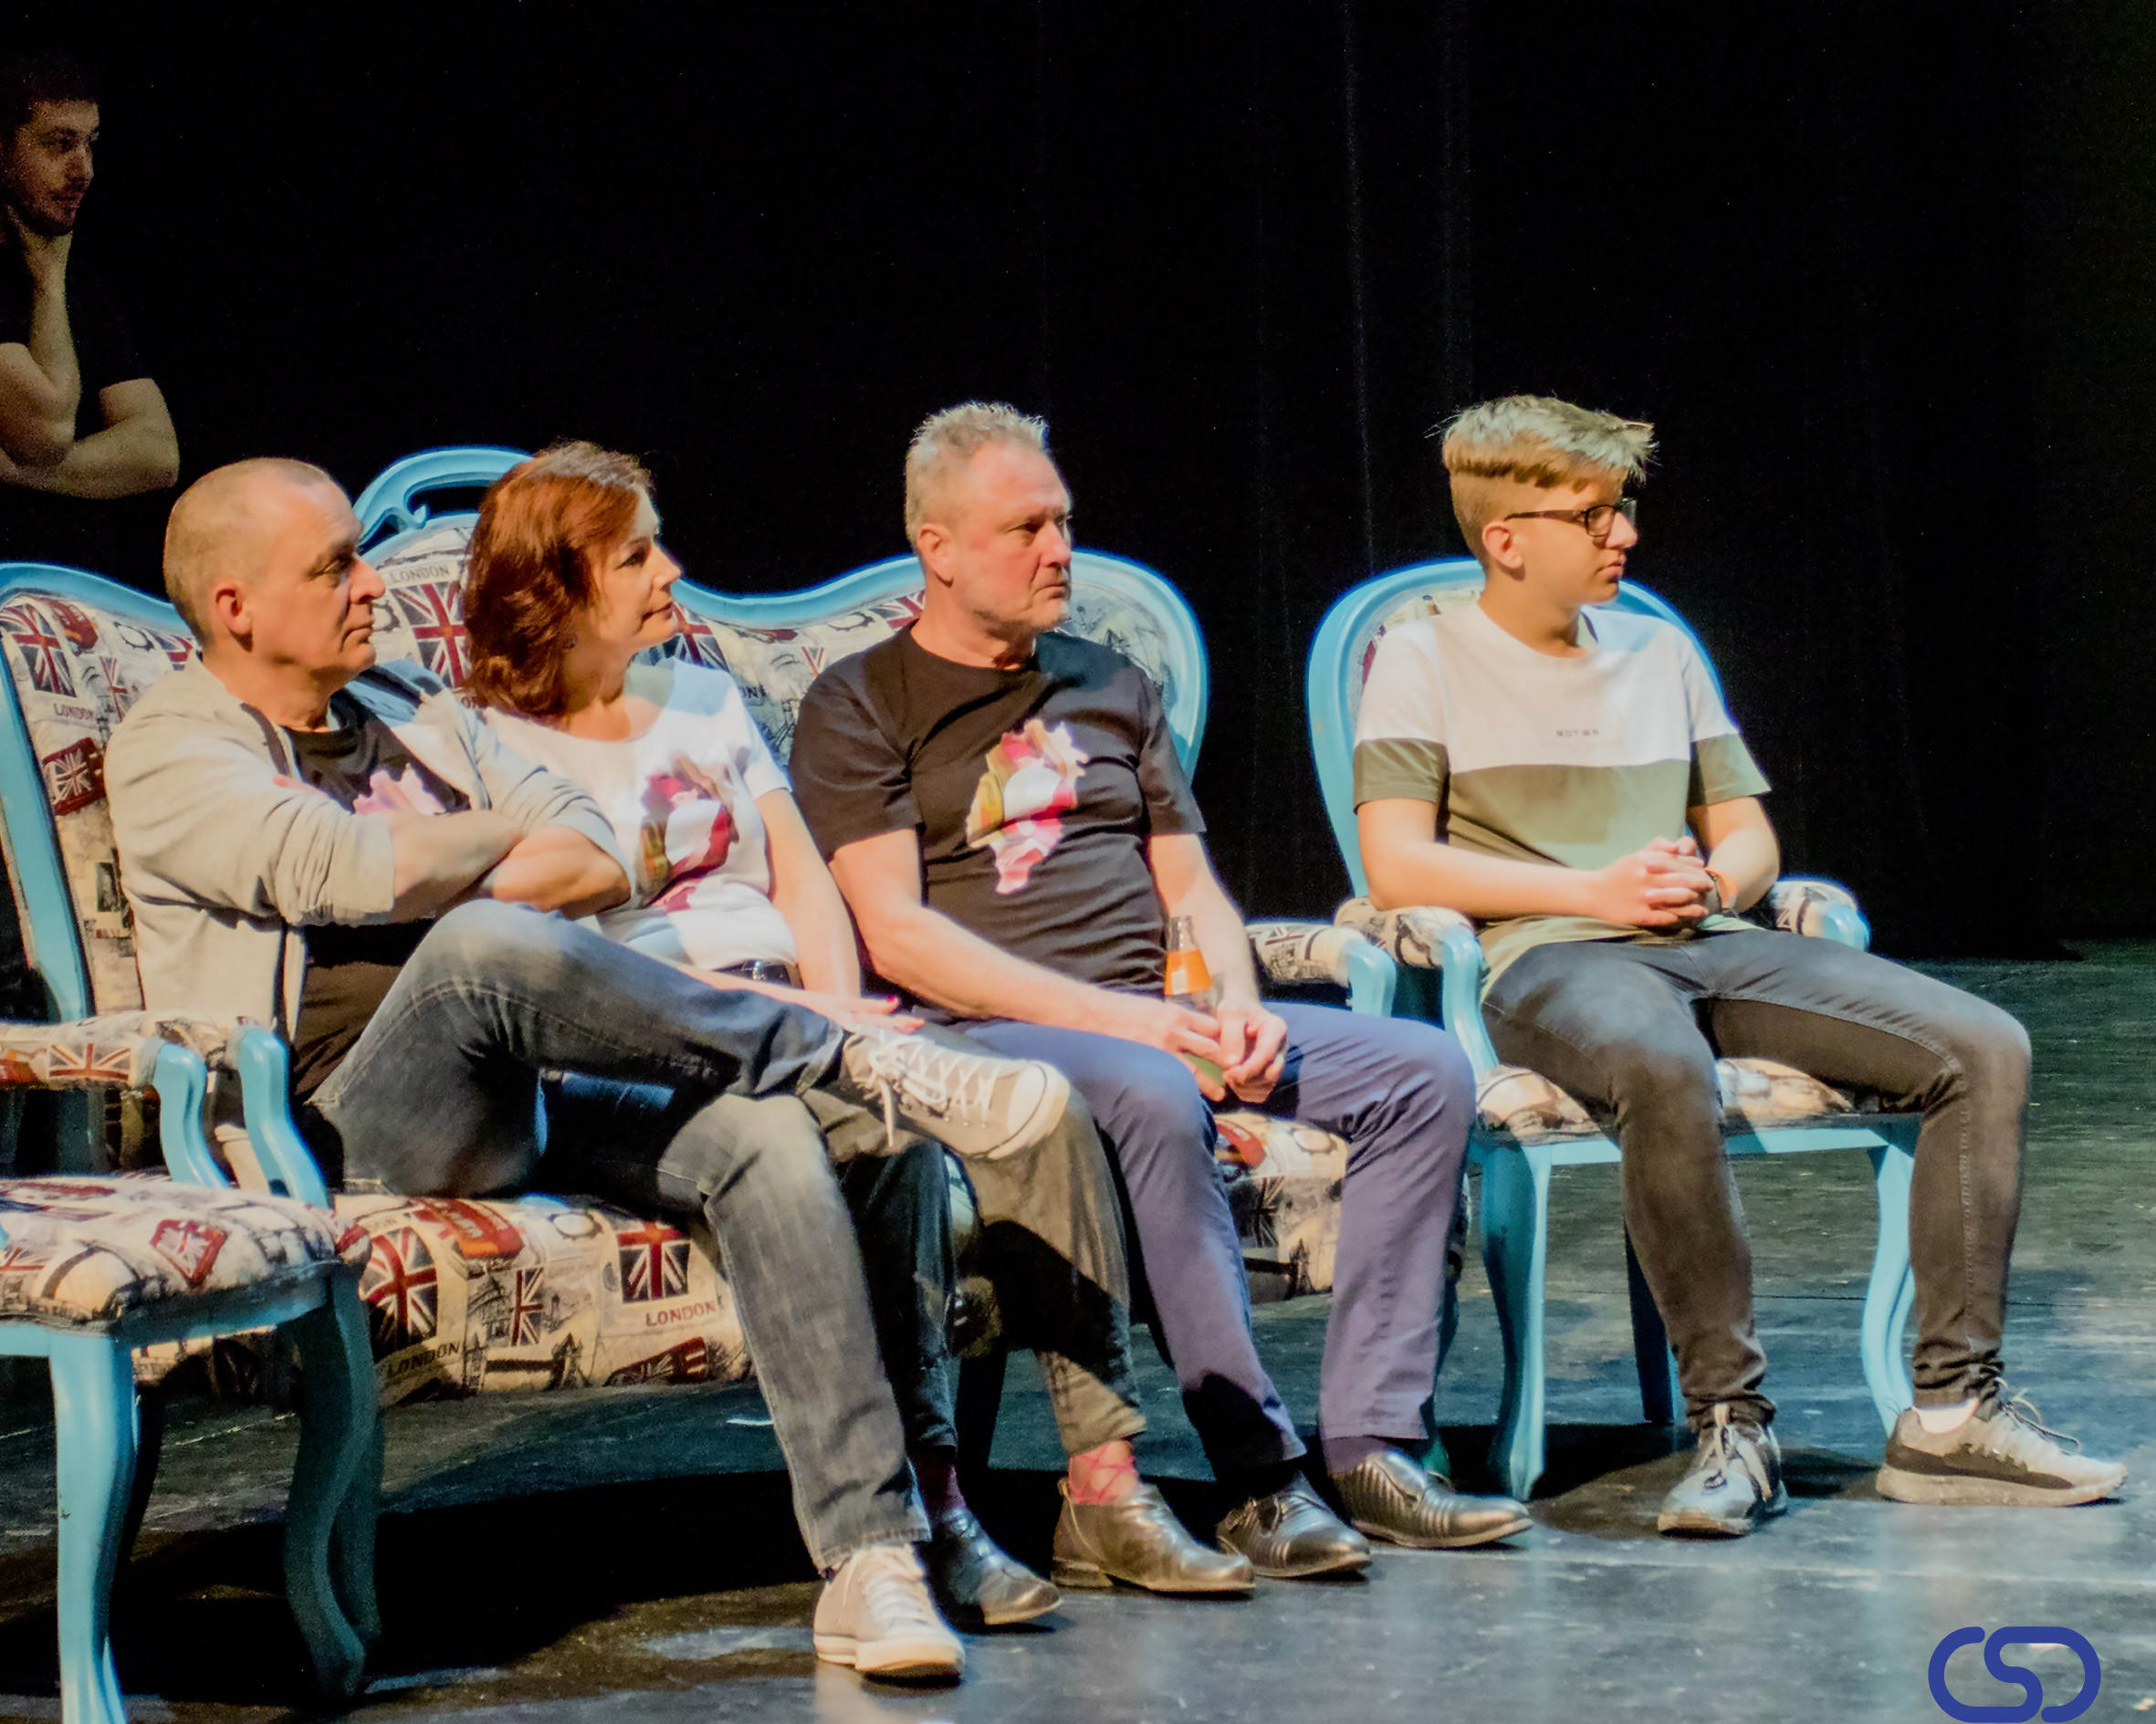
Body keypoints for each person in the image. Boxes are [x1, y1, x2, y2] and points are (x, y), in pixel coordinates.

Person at [107, 459, 1085, 1681]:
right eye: (335, 567)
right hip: (349, 1116)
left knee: (770, 1136)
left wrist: (440, 850)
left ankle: (870, 1558)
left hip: (530, 1082)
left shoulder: (411, 705)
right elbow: (337, 870)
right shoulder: (173, 746)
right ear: (237, 606)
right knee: (483, 944)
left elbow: (600, 851)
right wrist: (485, 851)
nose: (373, 586)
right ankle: (846, 1051)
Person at [457, 441, 1251, 1621]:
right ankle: (937, 1506)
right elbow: (556, 962)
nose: (671, 573)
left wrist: (842, 1015)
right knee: (903, 1146)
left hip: (809, 1018)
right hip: (655, 1039)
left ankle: (1102, 1484)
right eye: (636, 557)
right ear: (553, 589)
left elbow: (803, 882)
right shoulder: (485, 742)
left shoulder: (701, 699)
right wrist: (800, 1020)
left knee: (1033, 1112)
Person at [1353, 393, 2126, 1536]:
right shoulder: (1421, 658)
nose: (1623, 533)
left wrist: (1714, 884)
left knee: (1981, 1045)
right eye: (1592, 515)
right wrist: (1593, 892)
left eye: (1622, 509)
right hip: (1546, 958)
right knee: (1659, 1061)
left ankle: (1952, 1415)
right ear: (1506, 538)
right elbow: (1397, 864)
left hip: (1705, 942)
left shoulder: (1658, 651)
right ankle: (1731, 1421)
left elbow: (1747, 833)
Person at [790, 402, 1532, 1580]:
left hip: (1157, 1014)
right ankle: (1259, 1478)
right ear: (938, 547)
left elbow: (1189, 887)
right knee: (1148, 1085)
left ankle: (1373, 1447)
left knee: (1422, 1069)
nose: (1058, 551)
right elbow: (901, 938)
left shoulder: (1112, 684)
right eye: (1025, 529)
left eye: (1063, 522)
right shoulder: (861, 701)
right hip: (983, 1033)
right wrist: (1137, 1023)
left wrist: (1233, 1005)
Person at [0, 50, 178, 581]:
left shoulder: (79, 280)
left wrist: (19, 474)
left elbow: (158, 452)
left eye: (90, 143)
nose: (84, 171)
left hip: (83, 596)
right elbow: (46, 430)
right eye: (59, 144)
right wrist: (48, 285)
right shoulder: (52, 274)